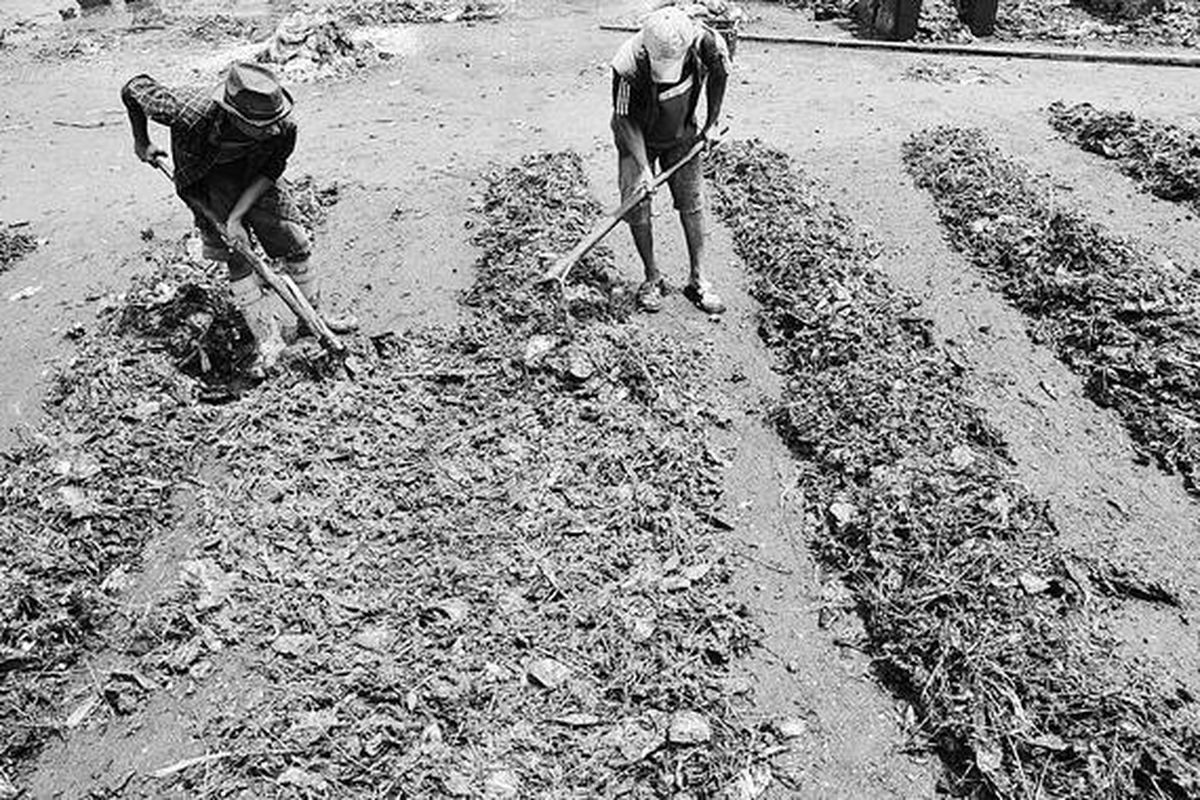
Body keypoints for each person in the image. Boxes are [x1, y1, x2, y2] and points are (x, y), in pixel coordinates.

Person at [121, 61, 357, 375]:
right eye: (264, 124)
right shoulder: (187, 113)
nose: (274, 128)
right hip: (206, 180)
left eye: (277, 119)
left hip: (255, 173)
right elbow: (134, 87)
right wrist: (142, 141)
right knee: (237, 256)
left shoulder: (283, 127)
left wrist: (238, 217)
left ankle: (311, 317)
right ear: (235, 116)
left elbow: (271, 170)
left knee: (295, 241)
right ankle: (267, 340)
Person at [611, 5, 730, 314]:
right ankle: (652, 278)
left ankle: (698, 278)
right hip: (638, 139)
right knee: (637, 203)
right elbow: (623, 120)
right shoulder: (628, 65)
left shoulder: (707, 45)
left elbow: (720, 75)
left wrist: (712, 123)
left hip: (682, 135)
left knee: (692, 203)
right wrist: (644, 168)